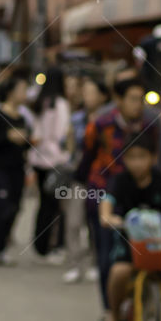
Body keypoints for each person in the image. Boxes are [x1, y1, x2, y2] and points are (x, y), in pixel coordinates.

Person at [77, 75, 153, 321]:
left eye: (141, 99)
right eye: (133, 99)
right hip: (102, 192)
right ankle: (111, 312)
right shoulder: (101, 124)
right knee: (107, 255)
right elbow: (87, 158)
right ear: (118, 100)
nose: (138, 105)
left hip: (139, 195)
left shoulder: (150, 125)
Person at [99, 131, 161, 321]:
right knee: (119, 272)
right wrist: (112, 219)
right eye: (132, 158)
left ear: (153, 157)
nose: (137, 163)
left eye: (142, 157)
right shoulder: (119, 181)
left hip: (160, 244)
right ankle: (113, 314)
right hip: (129, 242)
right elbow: (106, 210)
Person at [62, 74, 110, 284]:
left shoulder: (109, 120)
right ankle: (74, 264)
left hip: (102, 179)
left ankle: (94, 263)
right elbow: (68, 146)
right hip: (80, 177)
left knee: (95, 223)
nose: (87, 96)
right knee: (73, 222)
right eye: (86, 92)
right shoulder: (77, 118)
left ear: (102, 96)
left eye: (91, 92)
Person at [0, 73, 32, 267]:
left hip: (18, 169)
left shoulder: (22, 117)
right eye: (22, 90)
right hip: (0, 169)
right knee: (1, 207)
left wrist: (25, 141)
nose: (25, 94)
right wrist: (8, 137)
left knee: (15, 207)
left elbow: (28, 142)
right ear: (11, 92)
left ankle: (3, 246)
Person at [28, 68, 71, 261]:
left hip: (38, 159)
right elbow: (61, 133)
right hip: (55, 160)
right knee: (56, 206)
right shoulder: (60, 104)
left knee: (43, 203)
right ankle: (53, 245)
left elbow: (36, 132)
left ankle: (40, 244)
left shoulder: (40, 101)